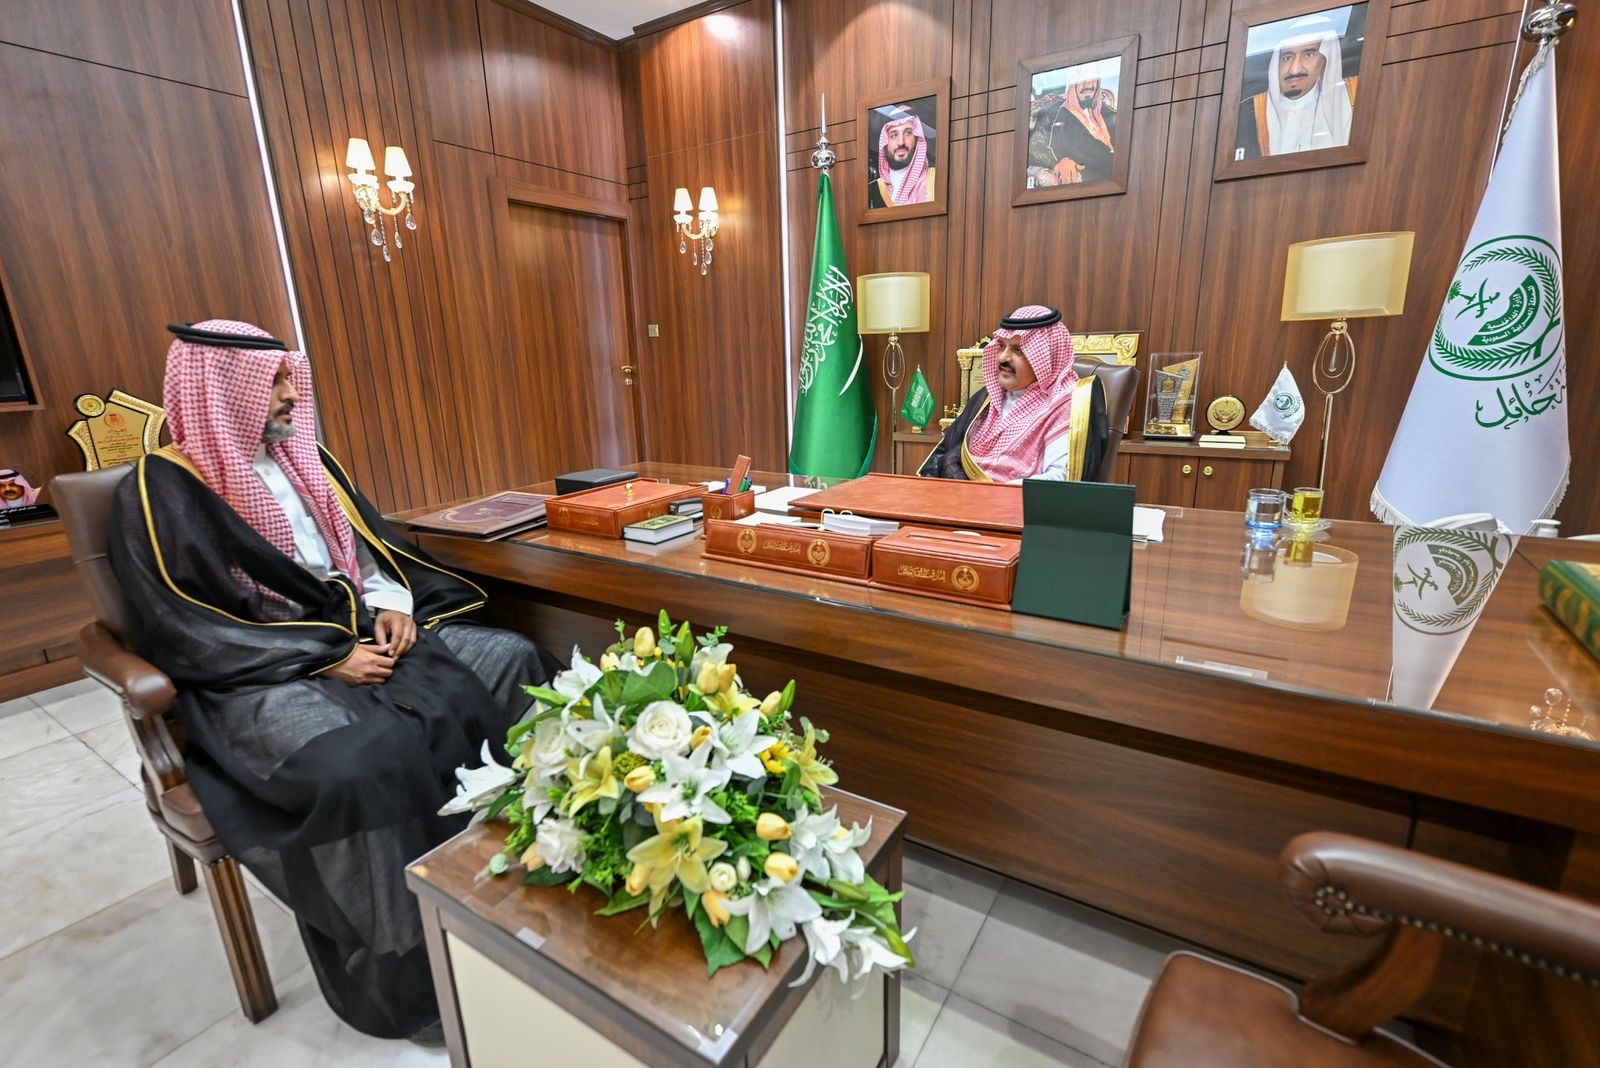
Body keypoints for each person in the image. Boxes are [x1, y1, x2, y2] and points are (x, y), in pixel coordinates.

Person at [108, 320, 560, 1042]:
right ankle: (411, 963)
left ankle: (522, 873)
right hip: (253, 671)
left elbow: (367, 559)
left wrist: (393, 605)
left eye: (290, 377)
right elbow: (181, 623)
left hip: (359, 635)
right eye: (274, 382)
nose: (292, 394)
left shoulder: (306, 459)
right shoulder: (160, 489)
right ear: (221, 391)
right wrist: (323, 656)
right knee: (363, 765)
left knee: (514, 660)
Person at [919, 306, 1108, 483]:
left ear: (1047, 356)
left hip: (1019, 504)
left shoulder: (1066, 403)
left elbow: (1060, 478)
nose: (1003, 357)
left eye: (1018, 350)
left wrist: (997, 495)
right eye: (1002, 346)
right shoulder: (986, 398)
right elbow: (946, 453)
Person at [1235, 16, 1357, 160]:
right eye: (1287, 57)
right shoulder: (1247, 112)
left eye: (1308, 55)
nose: (1294, 69)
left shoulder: (1353, 98)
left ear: (1325, 59)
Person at [1027, 78, 1117, 187]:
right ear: (1073, 86)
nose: (1089, 85)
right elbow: (1034, 146)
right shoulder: (1053, 114)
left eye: (1093, 80)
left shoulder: (1108, 111)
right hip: (1094, 178)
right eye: (1083, 80)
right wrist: (1059, 162)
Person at [867, 104, 936, 208]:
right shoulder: (872, 189)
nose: (901, 142)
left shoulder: (935, 180)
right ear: (885, 142)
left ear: (917, 139)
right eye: (894, 135)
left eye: (908, 133)